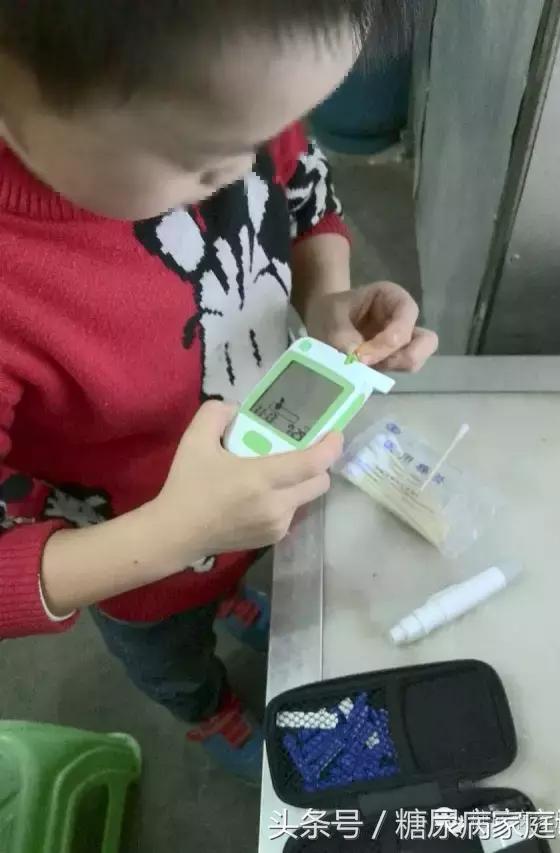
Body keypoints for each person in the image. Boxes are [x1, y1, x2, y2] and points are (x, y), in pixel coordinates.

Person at [0, 0, 438, 783]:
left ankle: (228, 594)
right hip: (137, 566)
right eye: (203, 161)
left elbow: (302, 191)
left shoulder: (232, 105)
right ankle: (205, 708)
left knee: (235, 572)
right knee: (172, 655)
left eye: (263, 134)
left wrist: (326, 298)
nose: (240, 173)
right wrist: (176, 534)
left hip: (240, 516)